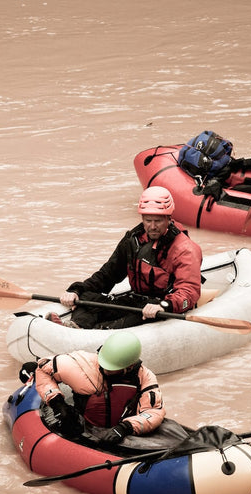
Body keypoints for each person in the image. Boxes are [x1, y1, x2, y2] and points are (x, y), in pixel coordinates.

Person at [49, 186, 203, 330]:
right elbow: (107, 275)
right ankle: (75, 325)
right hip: (135, 301)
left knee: (132, 317)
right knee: (88, 297)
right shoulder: (133, 240)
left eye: (158, 221)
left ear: (169, 219)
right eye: (148, 221)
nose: (153, 226)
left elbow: (189, 291)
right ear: (142, 218)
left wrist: (163, 305)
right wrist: (76, 290)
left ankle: (95, 331)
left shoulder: (185, 249)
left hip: (160, 307)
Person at [34, 332, 165, 444]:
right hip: (83, 425)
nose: (105, 370)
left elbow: (154, 411)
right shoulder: (83, 365)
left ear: (129, 367)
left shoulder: (145, 377)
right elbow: (42, 368)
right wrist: (57, 403)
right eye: (104, 365)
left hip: (119, 429)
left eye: (111, 368)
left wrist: (125, 427)